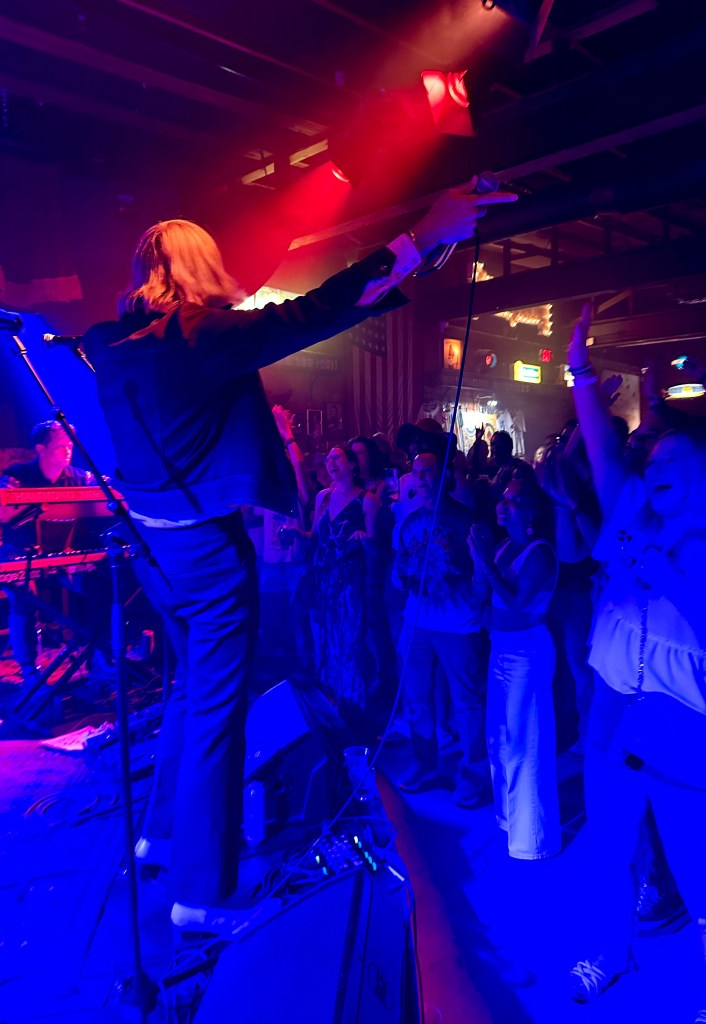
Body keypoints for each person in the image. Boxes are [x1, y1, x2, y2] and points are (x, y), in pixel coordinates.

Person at [81, 179, 518, 936]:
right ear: (198, 266)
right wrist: (421, 236)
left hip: (155, 545)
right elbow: (313, 312)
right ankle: (202, 892)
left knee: (189, 688)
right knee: (219, 706)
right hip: (205, 548)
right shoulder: (199, 337)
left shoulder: (110, 345)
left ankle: (164, 835)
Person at [565, 305, 706, 1022]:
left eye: (670, 460)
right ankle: (613, 948)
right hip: (611, 704)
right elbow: (606, 451)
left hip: (684, 720)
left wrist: (674, 581)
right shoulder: (632, 510)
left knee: (698, 873)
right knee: (608, 844)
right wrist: (579, 371)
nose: (652, 463)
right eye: (651, 459)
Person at [469, 477, 562, 860]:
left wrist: (486, 565)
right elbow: (484, 596)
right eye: (502, 498)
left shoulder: (540, 553)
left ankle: (534, 841)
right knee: (499, 737)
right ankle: (511, 820)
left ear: (531, 513)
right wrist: (480, 566)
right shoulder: (504, 546)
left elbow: (518, 603)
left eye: (513, 500)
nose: (502, 505)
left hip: (527, 654)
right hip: (501, 648)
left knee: (526, 742)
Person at [394, 443, 489, 807]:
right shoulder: (409, 519)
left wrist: (448, 569)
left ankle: (474, 774)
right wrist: (403, 575)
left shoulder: (466, 520)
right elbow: (399, 567)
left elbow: (479, 571)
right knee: (416, 696)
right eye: (416, 473)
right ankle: (424, 761)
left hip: (458, 622)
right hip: (417, 620)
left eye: (428, 472)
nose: (420, 479)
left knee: (466, 701)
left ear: (445, 475)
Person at [0, 420, 96, 688]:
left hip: (62, 556)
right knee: (23, 598)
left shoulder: (79, 477)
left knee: (101, 585)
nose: (67, 451)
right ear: (41, 449)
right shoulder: (17, 474)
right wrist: (10, 492)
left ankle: (101, 657)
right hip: (19, 554)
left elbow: (100, 488)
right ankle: (29, 669)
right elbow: (4, 494)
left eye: (69, 446)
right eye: (60, 446)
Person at [309, 443, 379, 738]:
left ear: (352, 464)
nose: (331, 462)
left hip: (351, 583)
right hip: (325, 583)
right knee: (326, 648)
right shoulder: (323, 498)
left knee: (350, 647)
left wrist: (365, 539)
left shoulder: (368, 500)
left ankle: (356, 721)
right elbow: (314, 538)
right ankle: (332, 718)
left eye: (337, 457)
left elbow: (377, 551)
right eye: (328, 459)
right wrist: (295, 535)